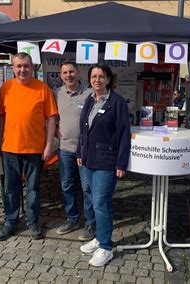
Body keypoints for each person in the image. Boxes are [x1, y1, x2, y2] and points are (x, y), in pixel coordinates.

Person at [0, 52, 57, 241]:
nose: (22, 70)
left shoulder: (43, 89)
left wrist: (48, 146)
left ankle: (32, 221)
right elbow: (0, 118)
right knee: (11, 188)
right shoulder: (6, 88)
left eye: (26, 66)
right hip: (10, 148)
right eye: (18, 66)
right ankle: (10, 221)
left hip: (34, 149)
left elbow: (51, 119)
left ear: (32, 68)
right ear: (13, 68)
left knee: (33, 189)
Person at [77, 64, 131, 267]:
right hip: (88, 159)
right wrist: (79, 153)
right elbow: (83, 130)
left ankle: (106, 247)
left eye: (101, 76)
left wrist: (121, 162)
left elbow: (124, 134)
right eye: (93, 76)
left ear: (108, 79)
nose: (97, 80)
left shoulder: (116, 102)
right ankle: (99, 238)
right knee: (92, 198)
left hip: (106, 162)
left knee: (101, 203)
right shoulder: (90, 99)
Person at [54, 61, 95, 240]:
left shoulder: (89, 93)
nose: (68, 75)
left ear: (78, 73)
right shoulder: (57, 93)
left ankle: (91, 223)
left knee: (87, 187)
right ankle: (72, 218)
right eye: (65, 73)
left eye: (71, 72)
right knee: (66, 185)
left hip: (85, 150)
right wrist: (55, 128)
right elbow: (53, 118)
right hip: (64, 148)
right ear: (61, 75)